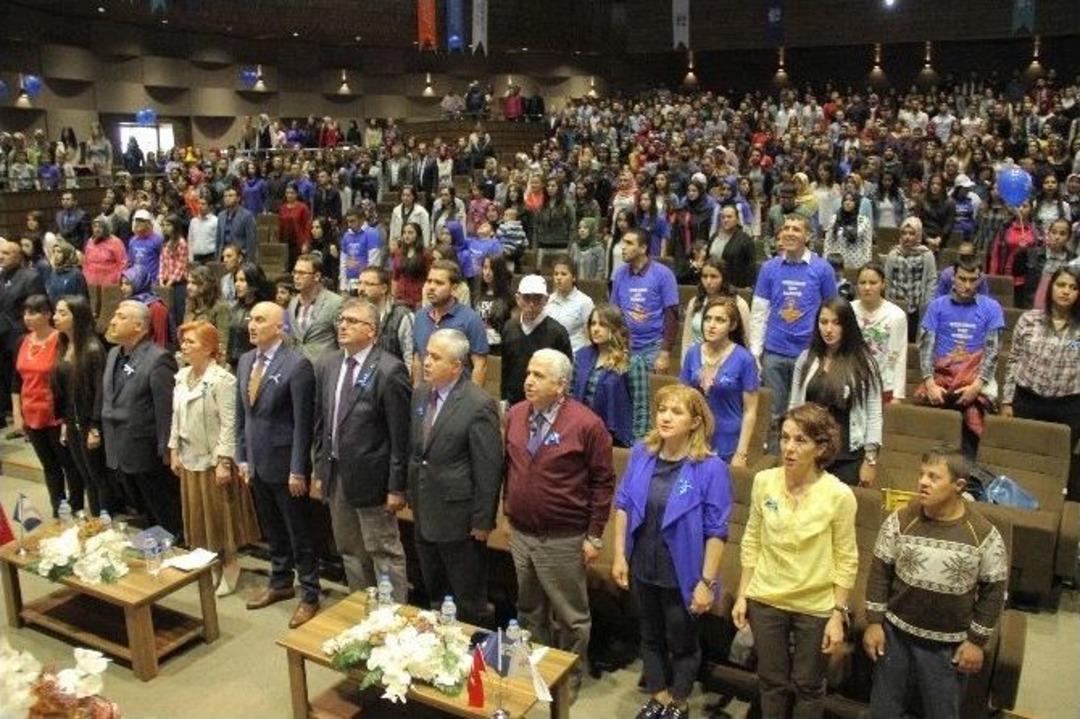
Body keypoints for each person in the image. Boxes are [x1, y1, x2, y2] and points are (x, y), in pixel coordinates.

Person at [612, 384, 732, 719]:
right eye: (662, 409)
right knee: (649, 636)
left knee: (682, 643)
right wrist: (620, 555)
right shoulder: (641, 453)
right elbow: (623, 505)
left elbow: (716, 531)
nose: (665, 417)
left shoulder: (710, 468)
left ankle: (678, 702)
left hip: (684, 572)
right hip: (643, 566)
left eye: (676, 411)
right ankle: (659, 697)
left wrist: (707, 582)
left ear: (695, 422)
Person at [732, 403, 858, 719]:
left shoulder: (839, 495)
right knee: (771, 682)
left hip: (814, 605)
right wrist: (742, 594)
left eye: (800, 440)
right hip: (766, 598)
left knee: (809, 685)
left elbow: (846, 559)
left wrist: (837, 614)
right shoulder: (764, 481)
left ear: (821, 447)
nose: (789, 447)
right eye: (785, 437)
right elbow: (752, 540)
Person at [864, 444, 1008, 719]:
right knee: (883, 711)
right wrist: (873, 622)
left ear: (959, 485)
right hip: (896, 637)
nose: (923, 483)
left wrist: (977, 641)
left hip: (948, 648)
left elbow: (994, 591)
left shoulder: (982, 534)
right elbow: (880, 572)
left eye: (934, 477)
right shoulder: (900, 521)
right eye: (921, 474)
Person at [503, 349, 615, 696]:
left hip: (564, 537)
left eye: (539, 376)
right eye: (528, 373)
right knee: (529, 608)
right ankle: (533, 670)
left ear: (561, 385)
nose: (529, 381)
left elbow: (603, 482)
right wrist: (508, 512)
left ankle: (568, 678)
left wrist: (594, 536)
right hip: (522, 533)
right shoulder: (517, 414)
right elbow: (509, 470)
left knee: (570, 617)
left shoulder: (586, 424)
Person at [312, 298, 411, 596]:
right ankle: (364, 608)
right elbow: (321, 423)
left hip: (374, 481)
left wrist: (396, 487)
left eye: (352, 321)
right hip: (336, 476)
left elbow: (401, 436)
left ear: (372, 331)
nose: (342, 325)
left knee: (383, 552)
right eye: (341, 319)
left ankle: (392, 616)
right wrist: (319, 469)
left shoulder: (389, 370)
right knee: (349, 550)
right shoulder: (329, 364)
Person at [407, 328, 503, 624]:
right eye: (426, 354)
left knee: (468, 598)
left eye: (436, 357)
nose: (427, 362)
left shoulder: (478, 404)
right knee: (435, 591)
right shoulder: (421, 393)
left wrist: (482, 521)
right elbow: (418, 451)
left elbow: (489, 468)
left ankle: (474, 657)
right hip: (425, 509)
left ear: (456, 366)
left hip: (460, 519)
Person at [236, 302, 319, 628]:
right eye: (250, 319)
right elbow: (243, 416)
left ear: (279, 327)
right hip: (257, 462)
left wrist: (299, 469)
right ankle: (281, 582)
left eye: (259, 320)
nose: (251, 325)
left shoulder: (297, 365)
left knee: (300, 533)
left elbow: (303, 423)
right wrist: (242, 457)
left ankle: (310, 593)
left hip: (287, 466)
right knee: (272, 530)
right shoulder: (245, 361)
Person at [168, 321, 259, 596]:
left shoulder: (222, 380)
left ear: (209, 348)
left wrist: (224, 461)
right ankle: (212, 562)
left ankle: (230, 563)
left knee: (222, 516)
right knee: (198, 516)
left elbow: (230, 423)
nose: (184, 346)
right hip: (189, 455)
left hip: (214, 460)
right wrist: (174, 450)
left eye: (191, 342)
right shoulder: (181, 376)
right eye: (183, 341)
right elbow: (176, 416)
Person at [749, 215, 838, 451]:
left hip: (809, 353)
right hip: (774, 352)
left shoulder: (822, 269)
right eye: (786, 228)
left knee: (806, 414)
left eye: (796, 229)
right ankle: (778, 461)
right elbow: (759, 311)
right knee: (775, 412)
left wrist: (830, 352)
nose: (789, 233)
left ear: (807, 236)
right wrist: (756, 351)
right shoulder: (769, 268)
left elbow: (832, 312)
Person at [101, 300, 181, 538]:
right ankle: (155, 546)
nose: (113, 320)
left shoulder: (159, 359)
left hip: (146, 451)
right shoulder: (114, 353)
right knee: (142, 510)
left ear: (139, 326)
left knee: (162, 508)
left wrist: (167, 448)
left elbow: (165, 410)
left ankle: (173, 547)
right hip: (119, 446)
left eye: (120, 316)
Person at [1003, 266, 1080, 501]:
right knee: (1024, 461)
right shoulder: (1029, 320)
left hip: (1069, 406)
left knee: (1058, 466)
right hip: (1028, 401)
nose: (1066, 291)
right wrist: (1007, 401)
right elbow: (1013, 361)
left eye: (1073, 287)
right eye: (1061, 285)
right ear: (1050, 288)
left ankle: (1051, 509)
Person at [917, 257, 1005, 457]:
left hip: (975, 379)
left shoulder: (991, 307)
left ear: (980, 279)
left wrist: (976, 386)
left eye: (972, 280)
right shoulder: (937, 306)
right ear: (953, 277)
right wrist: (930, 384)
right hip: (941, 378)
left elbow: (992, 352)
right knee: (934, 439)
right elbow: (926, 348)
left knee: (968, 445)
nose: (967, 285)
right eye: (962, 279)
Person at [789, 298, 883, 486]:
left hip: (847, 457)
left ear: (847, 325)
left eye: (836, 323)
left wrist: (870, 460)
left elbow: (874, 413)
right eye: (823, 322)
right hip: (810, 452)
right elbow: (794, 407)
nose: (828, 329)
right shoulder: (806, 359)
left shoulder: (864, 363)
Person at [13, 294, 82, 516]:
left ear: (46, 315)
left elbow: (68, 381)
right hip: (31, 412)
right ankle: (58, 508)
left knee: (68, 465)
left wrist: (66, 418)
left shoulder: (59, 340)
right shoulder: (22, 341)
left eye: (33, 313)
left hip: (55, 414)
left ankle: (76, 506)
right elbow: (16, 381)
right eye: (25, 313)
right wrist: (17, 412)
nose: (27, 318)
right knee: (49, 466)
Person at [51, 296, 112, 517]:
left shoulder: (93, 349)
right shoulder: (63, 345)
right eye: (56, 312)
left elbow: (100, 392)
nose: (55, 317)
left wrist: (95, 426)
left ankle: (104, 519)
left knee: (98, 477)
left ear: (78, 317)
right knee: (85, 476)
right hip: (72, 420)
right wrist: (65, 423)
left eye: (62, 313)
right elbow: (65, 393)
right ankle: (95, 519)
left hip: (90, 423)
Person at [680, 298, 760, 466]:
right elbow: (682, 399)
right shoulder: (693, 353)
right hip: (694, 438)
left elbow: (750, 412)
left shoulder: (744, 359)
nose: (711, 325)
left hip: (727, 441)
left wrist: (741, 453)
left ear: (732, 325)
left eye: (720, 320)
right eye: (708, 319)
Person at [572, 304, 651, 448]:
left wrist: (639, 447)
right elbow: (570, 395)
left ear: (615, 328)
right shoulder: (582, 355)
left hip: (616, 438)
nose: (595, 329)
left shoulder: (632, 362)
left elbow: (641, 407)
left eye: (602, 324)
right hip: (582, 434)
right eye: (593, 323)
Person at [611, 228, 681, 372]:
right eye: (623, 242)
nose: (623, 247)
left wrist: (665, 352)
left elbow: (672, 315)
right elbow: (614, 312)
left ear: (643, 248)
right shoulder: (619, 274)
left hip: (653, 347)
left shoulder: (663, 274)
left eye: (629, 243)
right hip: (625, 346)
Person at [411, 260, 489, 386]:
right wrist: (417, 394)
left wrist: (473, 403)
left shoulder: (470, 319)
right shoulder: (420, 317)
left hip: (458, 397)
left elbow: (480, 365)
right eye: (429, 281)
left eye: (439, 283)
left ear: (454, 288)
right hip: (427, 395)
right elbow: (418, 359)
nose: (431, 287)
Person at [500, 274, 573, 407]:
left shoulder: (558, 332)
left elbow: (566, 375)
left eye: (537, 298)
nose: (531, 304)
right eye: (527, 298)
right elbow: (505, 368)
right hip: (514, 402)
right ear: (518, 299)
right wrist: (504, 398)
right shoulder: (508, 328)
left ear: (546, 300)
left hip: (547, 404)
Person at [851, 263, 909, 402]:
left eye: (873, 283)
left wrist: (898, 395)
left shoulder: (896, 315)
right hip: (852, 383)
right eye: (862, 283)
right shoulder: (848, 310)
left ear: (883, 284)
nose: (867, 287)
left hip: (883, 386)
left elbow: (900, 355)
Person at [680, 257, 751, 361]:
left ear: (723, 278)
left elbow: (747, 338)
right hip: (698, 359)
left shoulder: (739, 304)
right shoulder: (695, 302)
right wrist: (684, 363)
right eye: (705, 276)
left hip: (728, 361)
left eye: (714, 276)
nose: (708, 281)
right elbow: (687, 339)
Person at [884, 216, 938, 343]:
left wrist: (927, 303)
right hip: (896, 303)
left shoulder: (927, 255)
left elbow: (931, 279)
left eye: (912, 233)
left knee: (913, 340)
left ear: (918, 235)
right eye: (904, 233)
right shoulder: (893, 254)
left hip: (917, 305)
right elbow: (887, 279)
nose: (907, 237)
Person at [288, 254, 343, 364]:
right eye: (295, 272)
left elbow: (342, 341)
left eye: (302, 273)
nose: (296, 277)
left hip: (324, 368)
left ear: (317, 276)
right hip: (297, 368)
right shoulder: (293, 303)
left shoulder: (335, 302)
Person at [356, 267, 414, 370]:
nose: (361, 289)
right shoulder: (355, 313)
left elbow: (410, 357)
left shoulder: (401, 315)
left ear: (384, 289)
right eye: (359, 283)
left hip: (392, 379)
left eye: (368, 284)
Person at [987, 199, 1037, 307]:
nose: (1021, 209)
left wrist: (1027, 249)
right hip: (1006, 274)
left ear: (1031, 209)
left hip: (1027, 278)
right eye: (1018, 206)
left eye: (1025, 206)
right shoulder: (1005, 228)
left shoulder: (1036, 230)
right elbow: (995, 254)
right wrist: (993, 276)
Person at [226, 261, 272, 370]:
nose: (237, 284)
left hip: (256, 364)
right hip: (234, 364)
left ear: (254, 283)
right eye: (236, 280)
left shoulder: (266, 309)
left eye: (242, 280)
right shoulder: (235, 308)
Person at [1023, 217, 1075, 310]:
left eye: (1062, 234)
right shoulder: (1032, 254)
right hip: (1033, 306)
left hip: (1062, 309)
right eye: (1053, 232)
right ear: (1048, 233)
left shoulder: (1073, 260)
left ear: (1068, 238)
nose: (1057, 237)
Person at [546, 258, 596, 354]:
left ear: (573, 277)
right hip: (551, 355)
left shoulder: (584, 302)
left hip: (575, 355)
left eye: (563, 274)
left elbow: (590, 336)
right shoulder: (548, 300)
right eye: (556, 274)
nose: (558, 278)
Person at [184, 265, 232, 358]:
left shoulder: (220, 307)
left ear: (206, 284)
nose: (188, 287)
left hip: (209, 361)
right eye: (188, 282)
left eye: (194, 283)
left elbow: (222, 342)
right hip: (189, 359)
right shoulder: (189, 305)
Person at [471, 254, 513, 356]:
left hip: (498, 350)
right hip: (477, 347)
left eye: (492, 269)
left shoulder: (508, 298)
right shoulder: (476, 295)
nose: (487, 272)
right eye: (485, 268)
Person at [121, 266, 171, 348]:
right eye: (122, 284)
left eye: (127, 284)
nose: (122, 288)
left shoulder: (156, 307)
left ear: (138, 283)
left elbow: (160, 342)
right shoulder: (131, 303)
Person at [708, 205, 757, 289]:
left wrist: (748, 286)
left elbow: (751, 266)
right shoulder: (714, 236)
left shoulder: (745, 240)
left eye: (729, 217)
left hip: (735, 286)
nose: (725, 220)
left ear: (737, 219)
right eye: (723, 217)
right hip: (714, 285)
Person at [824, 191, 874, 271]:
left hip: (857, 264)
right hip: (837, 263)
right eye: (845, 200)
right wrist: (826, 261)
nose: (847, 203)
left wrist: (867, 266)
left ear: (856, 203)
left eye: (851, 200)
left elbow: (867, 245)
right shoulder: (834, 219)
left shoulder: (864, 221)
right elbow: (828, 242)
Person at [159, 215, 189, 332]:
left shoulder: (181, 242)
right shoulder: (165, 242)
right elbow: (162, 262)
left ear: (175, 226)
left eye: (168, 225)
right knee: (167, 314)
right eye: (164, 225)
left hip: (178, 283)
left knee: (178, 313)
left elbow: (181, 265)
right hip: (165, 282)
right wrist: (161, 280)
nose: (165, 228)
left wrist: (170, 282)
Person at [82, 216, 127, 293]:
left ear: (106, 227)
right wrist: (86, 276)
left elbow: (123, 263)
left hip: (110, 285)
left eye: (100, 226)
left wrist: (116, 279)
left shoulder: (115, 242)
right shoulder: (90, 242)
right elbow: (86, 262)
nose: (97, 229)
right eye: (95, 226)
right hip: (92, 284)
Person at [216, 186, 258, 261]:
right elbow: (218, 240)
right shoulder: (221, 216)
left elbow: (251, 242)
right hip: (223, 258)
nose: (227, 198)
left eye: (231, 195)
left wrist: (249, 261)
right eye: (225, 196)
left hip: (240, 258)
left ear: (238, 198)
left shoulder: (247, 216)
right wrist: (217, 258)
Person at [44, 241, 88, 305]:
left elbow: (82, 298)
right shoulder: (53, 272)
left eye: (59, 252)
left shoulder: (76, 273)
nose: (55, 255)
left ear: (66, 253)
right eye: (54, 252)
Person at [127, 208, 164, 283]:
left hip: (152, 281)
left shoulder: (157, 240)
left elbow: (162, 261)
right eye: (137, 221)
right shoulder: (132, 241)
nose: (139, 223)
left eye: (142, 221)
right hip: (136, 281)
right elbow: (131, 262)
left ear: (148, 223)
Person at [568, 217, 606, 281]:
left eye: (585, 227)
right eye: (579, 228)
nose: (581, 230)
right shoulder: (575, 247)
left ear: (592, 230)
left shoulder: (598, 249)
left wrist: (592, 286)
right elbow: (570, 267)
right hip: (576, 286)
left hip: (592, 287)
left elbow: (600, 271)